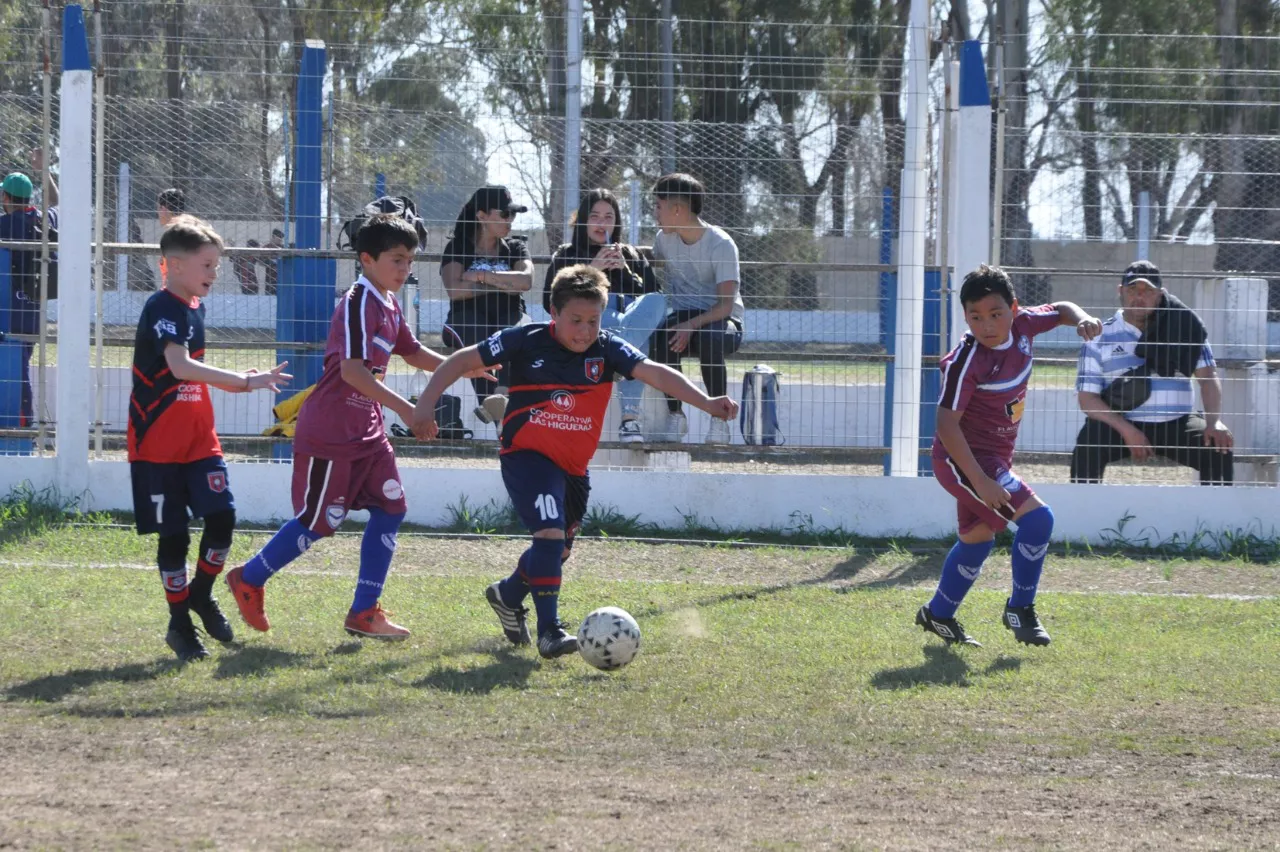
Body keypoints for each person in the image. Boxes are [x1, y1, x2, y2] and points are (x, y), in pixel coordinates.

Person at [410, 264, 739, 658]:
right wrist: (425, 405)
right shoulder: (525, 339)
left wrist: (706, 401)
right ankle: (550, 632)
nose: (585, 331)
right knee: (549, 536)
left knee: (557, 551)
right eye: (576, 320)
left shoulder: (608, 348)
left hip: (573, 470)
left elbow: (656, 373)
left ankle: (507, 595)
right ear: (554, 312)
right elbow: (460, 360)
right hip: (527, 457)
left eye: (593, 321)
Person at [225, 214, 491, 640]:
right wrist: (408, 410)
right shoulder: (356, 301)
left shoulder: (388, 302)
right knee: (318, 522)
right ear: (367, 259)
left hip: (367, 431)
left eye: (410, 261)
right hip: (331, 432)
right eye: (397, 259)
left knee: (392, 508)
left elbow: (411, 351)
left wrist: (462, 367)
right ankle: (249, 578)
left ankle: (364, 611)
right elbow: (352, 372)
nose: (405, 268)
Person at [127, 216, 292, 661]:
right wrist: (243, 381)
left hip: (199, 441)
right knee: (174, 537)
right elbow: (180, 367)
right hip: (158, 444)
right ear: (176, 265)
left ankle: (200, 594)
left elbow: (189, 376)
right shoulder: (162, 307)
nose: (215, 273)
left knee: (222, 519)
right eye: (208, 265)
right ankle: (179, 623)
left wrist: (242, 381)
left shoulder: (193, 306)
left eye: (216, 265)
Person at [916, 264, 1102, 648]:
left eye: (995, 314)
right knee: (1038, 521)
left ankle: (938, 613)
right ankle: (1020, 609)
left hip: (992, 459)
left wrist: (1082, 318)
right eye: (975, 317)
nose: (986, 325)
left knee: (977, 539)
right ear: (965, 316)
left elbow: (1061, 309)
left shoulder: (1024, 325)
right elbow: (946, 425)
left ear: (1014, 309)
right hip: (963, 461)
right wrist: (981, 481)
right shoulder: (966, 361)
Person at [1070, 260, 1233, 485]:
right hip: (1122, 423)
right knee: (1089, 444)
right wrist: (1128, 430)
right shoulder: (1099, 336)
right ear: (1120, 291)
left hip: (1178, 422)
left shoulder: (1186, 329)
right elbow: (1087, 399)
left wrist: (1214, 422)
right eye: (1132, 290)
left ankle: (1217, 507)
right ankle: (1084, 504)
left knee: (1218, 446)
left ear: (1160, 294)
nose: (1139, 297)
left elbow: (1208, 378)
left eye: (1148, 291)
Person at [544, 188, 665, 442]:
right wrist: (592, 270)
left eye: (609, 217)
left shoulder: (630, 254)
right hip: (596, 318)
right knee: (624, 333)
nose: (602, 224)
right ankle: (629, 420)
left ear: (616, 222)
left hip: (629, 318)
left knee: (657, 302)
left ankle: (616, 362)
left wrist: (627, 272)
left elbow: (651, 296)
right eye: (595, 216)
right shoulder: (566, 254)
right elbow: (550, 300)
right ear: (583, 220)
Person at [648, 173, 744, 444]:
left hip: (722, 321)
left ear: (677, 209)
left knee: (709, 337)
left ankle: (719, 420)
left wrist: (691, 325)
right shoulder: (663, 239)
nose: (655, 213)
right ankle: (675, 416)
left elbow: (726, 305)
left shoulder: (721, 244)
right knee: (661, 336)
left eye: (658, 206)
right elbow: (651, 261)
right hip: (683, 318)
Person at [440, 185, 532, 430]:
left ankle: (500, 400)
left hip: (509, 318)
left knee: (512, 330)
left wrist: (481, 276)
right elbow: (455, 290)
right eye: (505, 214)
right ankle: (497, 410)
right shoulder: (458, 247)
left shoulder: (516, 247)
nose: (510, 220)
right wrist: (504, 284)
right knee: (477, 329)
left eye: (513, 214)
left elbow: (525, 281)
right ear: (481, 215)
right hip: (465, 322)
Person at [0, 171, 49, 427]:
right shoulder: (42, 219)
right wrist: (47, 173)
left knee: (14, 373)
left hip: (9, 310)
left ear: (6, 198)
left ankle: (22, 427)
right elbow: (57, 205)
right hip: (33, 308)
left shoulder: (5, 224)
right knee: (18, 367)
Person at [262, 228, 283, 295]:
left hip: (282, 277)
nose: (280, 239)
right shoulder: (267, 247)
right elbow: (261, 260)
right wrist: (271, 262)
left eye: (281, 237)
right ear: (273, 236)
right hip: (270, 278)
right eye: (279, 237)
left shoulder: (283, 248)